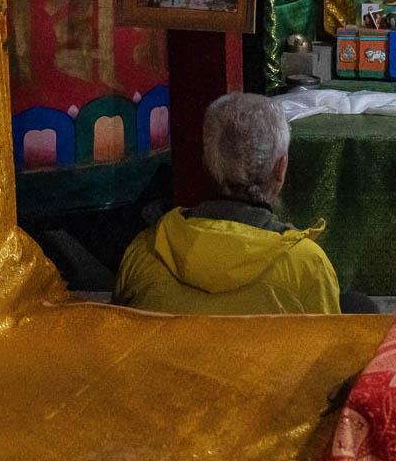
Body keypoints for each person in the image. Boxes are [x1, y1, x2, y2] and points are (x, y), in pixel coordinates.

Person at [114, 93, 343, 314]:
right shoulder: (306, 264)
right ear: (280, 168)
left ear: (207, 163)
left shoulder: (146, 250)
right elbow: (328, 338)